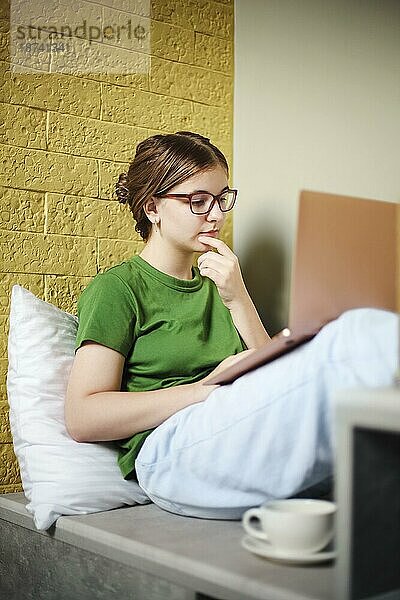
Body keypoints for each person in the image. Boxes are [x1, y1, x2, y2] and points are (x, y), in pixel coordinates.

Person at [65, 131, 398, 519]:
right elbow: (82, 417)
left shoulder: (221, 284)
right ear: (152, 207)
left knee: (356, 345)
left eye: (222, 198)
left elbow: (269, 375)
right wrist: (205, 390)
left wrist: (238, 297)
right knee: (355, 335)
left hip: (227, 428)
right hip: (167, 453)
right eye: (198, 201)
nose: (218, 215)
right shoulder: (118, 289)